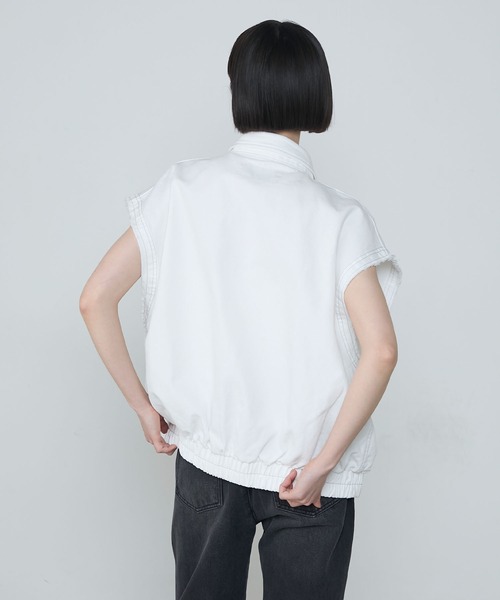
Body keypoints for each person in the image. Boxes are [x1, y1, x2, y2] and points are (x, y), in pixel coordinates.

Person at [80, 19, 402, 600]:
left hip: (208, 460)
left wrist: (143, 407)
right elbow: (380, 351)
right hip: (310, 475)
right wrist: (324, 464)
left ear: (240, 92)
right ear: (317, 95)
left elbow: (94, 298)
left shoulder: (181, 190)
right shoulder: (342, 219)